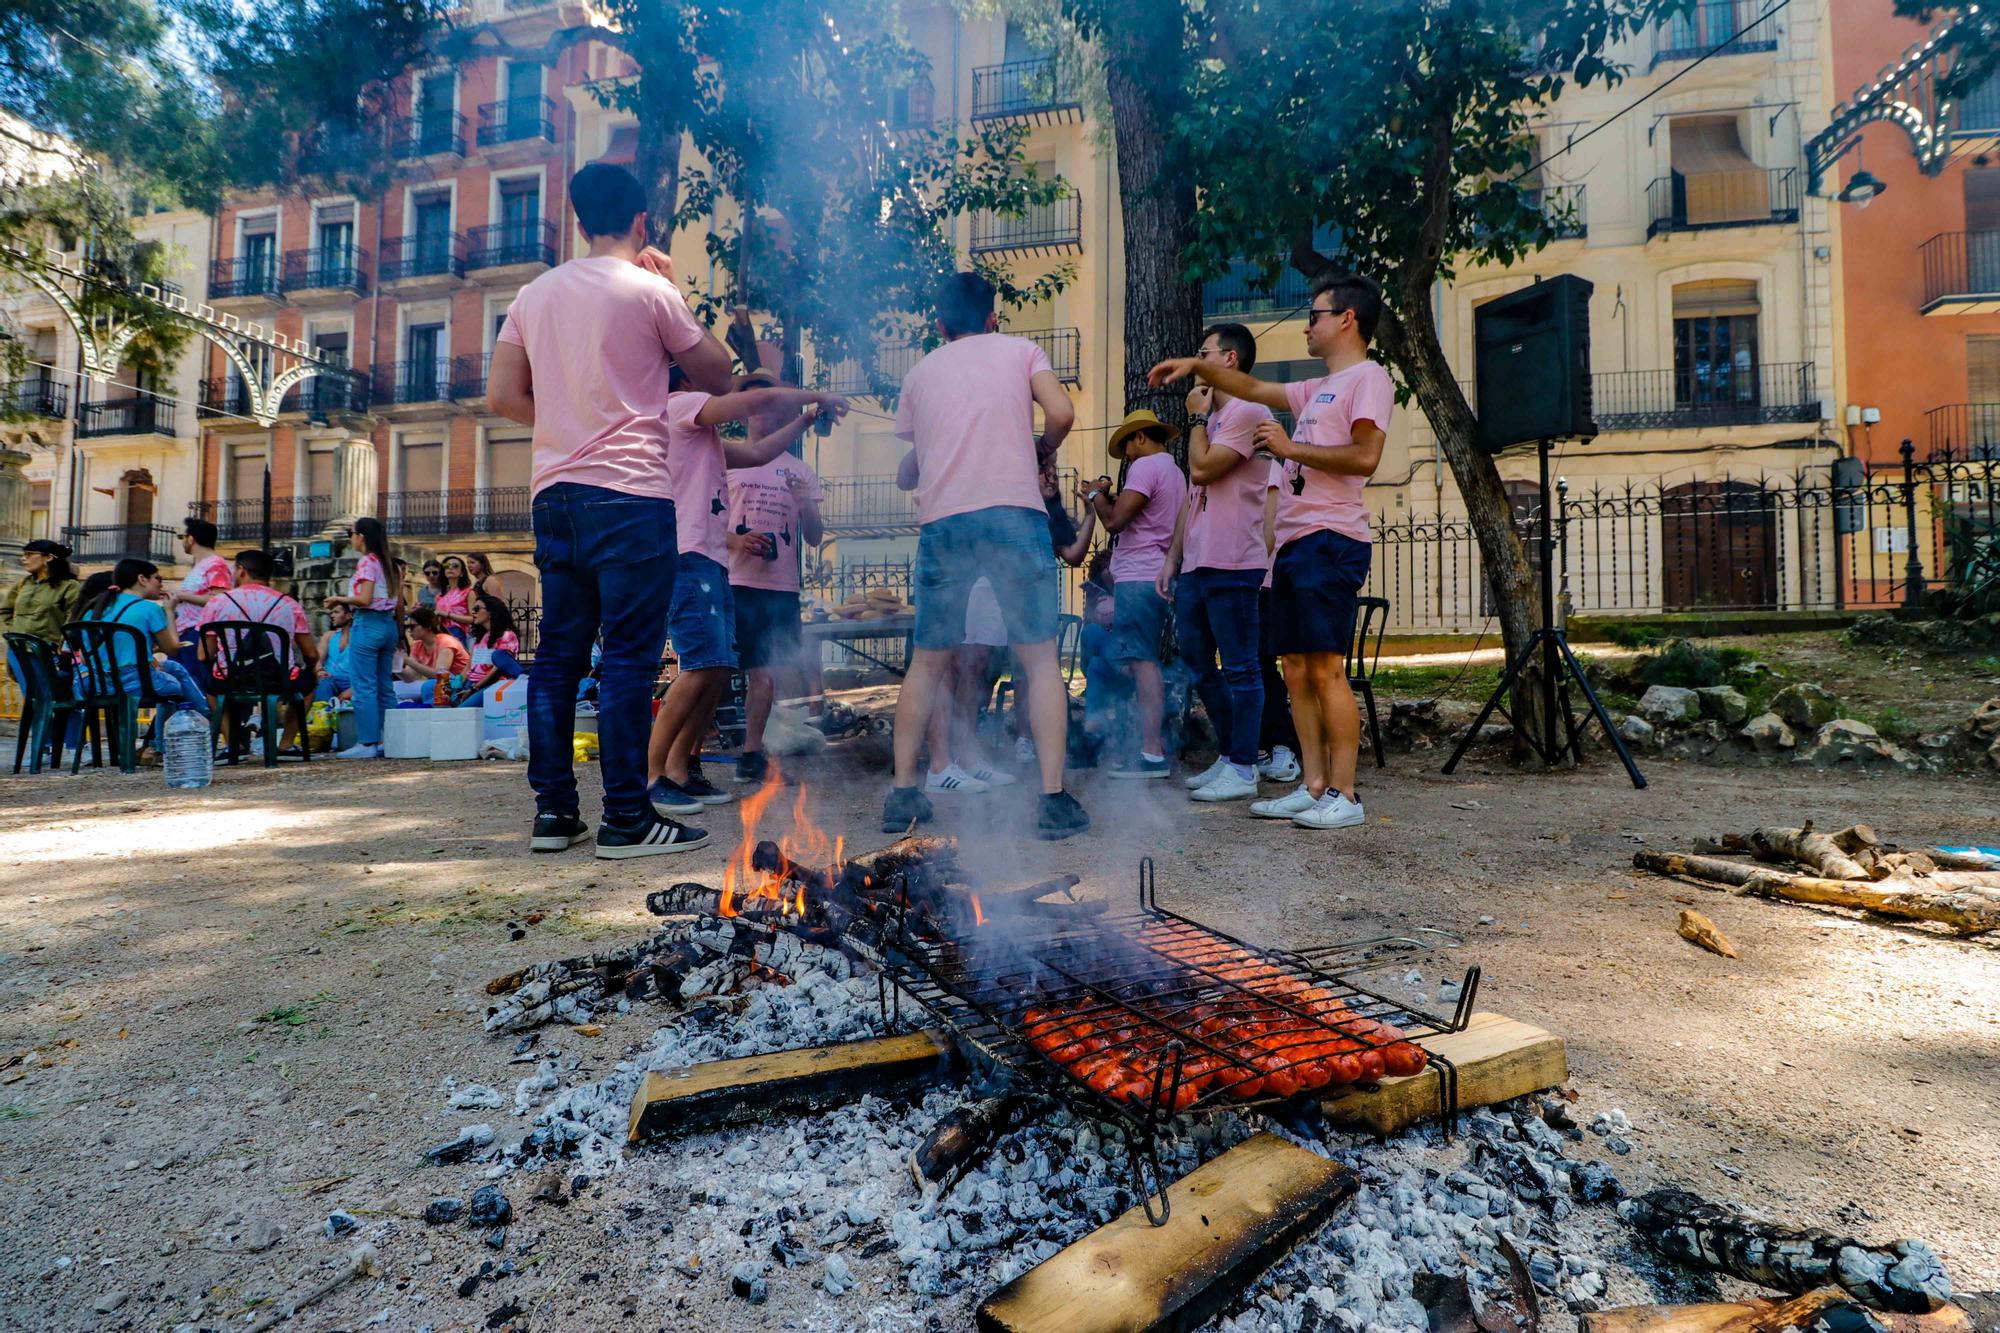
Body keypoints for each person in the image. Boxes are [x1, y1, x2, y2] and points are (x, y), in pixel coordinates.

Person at [487, 159, 732, 858]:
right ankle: (626, 816)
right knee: (627, 657)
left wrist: (568, 420)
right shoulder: (648, 291)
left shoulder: (535, 294)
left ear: (577, 220)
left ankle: (554, 815)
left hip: (555, 495)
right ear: (642, 222)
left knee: (558, 657)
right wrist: (676, 291)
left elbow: (503, 396)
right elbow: (717, 372)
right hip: (630, 495)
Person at [1148, 272, 1392, 830]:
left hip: (1333, 538)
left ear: (1346, 319)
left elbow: (1365, 458)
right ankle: (1313, 786)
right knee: (1297, 668)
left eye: (1315, 315)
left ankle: (1346, 796)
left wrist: (1287, 446)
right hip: (1296, 544)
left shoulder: (1369, 378)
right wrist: (1195, 366)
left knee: (1327, 669)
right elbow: (1256, 389)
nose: (1308, 325)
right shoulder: (1315, 387)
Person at [885, 271, 1087, 839]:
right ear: (993, 317)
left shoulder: (922, 372)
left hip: (945, 521)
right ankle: (1052, 800)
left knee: (927, 660)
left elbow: (916, 458)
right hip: (1013, 514)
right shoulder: (1022, 350)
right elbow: (1064, 413)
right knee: (1039, 658)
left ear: (941, 323)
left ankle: (903, 793)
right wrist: (1040, 451)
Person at [649, 374, 850, 813]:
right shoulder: (680, 406)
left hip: (719, 565)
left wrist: (807, 420)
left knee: (719, 669)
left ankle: (685, 768)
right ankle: (654, 774)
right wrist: (817, 395)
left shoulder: (714, 445)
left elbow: (761, 453)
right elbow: (763, 405)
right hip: (694, 558)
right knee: (702, 667)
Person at [1156, 323, 1277, 802]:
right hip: (1198, 563)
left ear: (1228, 360)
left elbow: (1202, 467)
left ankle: (1246, 765)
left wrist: (1195, 419)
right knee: (1199, 664)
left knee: (1242, 667)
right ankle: (1230, 755)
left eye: (1203, 353)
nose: (1196, 362)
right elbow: (1194, 491)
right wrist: (1172, 558)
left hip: (1233, 559)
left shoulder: (1249, 411)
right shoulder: (1216, 418)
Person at [724, 368, 828, 787]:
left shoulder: (799, 471)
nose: (761, 414)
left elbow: (817, 537)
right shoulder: (725, 460)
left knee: (764, 673)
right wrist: (737, 542)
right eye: (754, 405)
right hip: (732, 582)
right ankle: (686, 760)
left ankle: (751, 753)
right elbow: (699, 520)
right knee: (710, 673)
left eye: (770, 405)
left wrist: (806, 506)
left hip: (779, 587)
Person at [1085, 410, 1188, 780]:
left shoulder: (1146, 467)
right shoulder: (1174, 472)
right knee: (1139, 660)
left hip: (1139, 577)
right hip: (1156, 575)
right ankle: (1147, 745)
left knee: (1141, 663)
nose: (1126, 454)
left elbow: (1114, 521)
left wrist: (1096, 494)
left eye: (1126, 445)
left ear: (1140, 437)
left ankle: (1151, 752)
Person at [79, 558, 212, 747]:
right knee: (175, 686)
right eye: (157, 578)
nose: (162, 584)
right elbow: (172, 648)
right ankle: (201, 720)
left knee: (171, 669)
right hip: (136, 685)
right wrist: (169, 611)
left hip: (96, 685)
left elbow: (85, 656)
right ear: (142, 579)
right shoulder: (148, 609)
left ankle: (194, 723)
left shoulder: (95, 610)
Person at [196, 549, 320, 750]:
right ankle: (286, 744)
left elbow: (203, 655)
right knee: (308, 684)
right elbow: (311, 654)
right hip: (279, 679)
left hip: (231, 678)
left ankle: (234, 745)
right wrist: (312, 668)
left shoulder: (217, 603)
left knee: (211, 686)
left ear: (241, 570)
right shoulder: (289, 604)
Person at [323, 516, 399, 759]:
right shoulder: (391, 564)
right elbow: (398, 604)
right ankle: (391, 739)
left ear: (362, 537)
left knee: (363, 685)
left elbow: (364, 599)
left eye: (351, 533)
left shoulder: (368, 562)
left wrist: (339, 599)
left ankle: (367, 742)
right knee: (385, 686)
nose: (351, 537)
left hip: (367, 623)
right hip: (388, 625)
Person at [166, 517, 233, 683]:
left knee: (194, 684)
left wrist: (181, 596)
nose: (183, 542)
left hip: (198, 633)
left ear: (191, 539)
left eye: (183, 537)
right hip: (189, 633)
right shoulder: (203, 565)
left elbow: (220, 598)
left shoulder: (216, 564)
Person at [456, 593, 524, 705]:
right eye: (473, 609)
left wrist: (474, 689)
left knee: (463, 710)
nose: (473, 612)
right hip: (471, 683)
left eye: (477, 609)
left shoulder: (506, 635)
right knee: (435, 696)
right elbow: (469, 666)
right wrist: (456, 686)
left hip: (490, 685)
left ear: (491, 612)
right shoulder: (480, 637)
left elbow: (497, 670)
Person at [399, 606, 471, 705]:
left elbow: (440, 675)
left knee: (429, 686)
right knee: (392, 687)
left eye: (412, 626)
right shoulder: (418, 645)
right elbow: (409, 677)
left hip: (458, 683)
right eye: (407, 627)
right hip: (439, 684)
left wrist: (409, 661)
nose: (409, 631)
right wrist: (395, 666)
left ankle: (423, 708)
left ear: (428, 626)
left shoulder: (446, 641)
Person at [318, 600, 355, 704]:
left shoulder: (361, 639)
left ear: (349, 615)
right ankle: (321, 716)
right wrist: (320, 670)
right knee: (323, 682)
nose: (332, 615)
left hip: (351, 682)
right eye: (331, 612)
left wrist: (354, 690)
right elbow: (317, 659)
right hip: (329, 679)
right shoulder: (329, 636)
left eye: (336, 612)